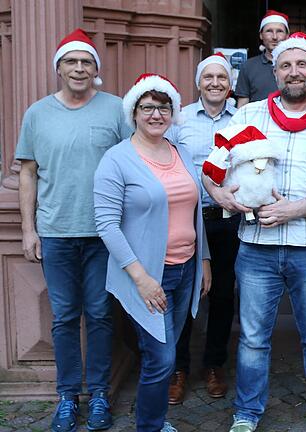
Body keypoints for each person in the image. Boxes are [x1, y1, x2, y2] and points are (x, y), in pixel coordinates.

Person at [204, 33, 306, 432]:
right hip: (255, 248)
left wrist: (291, 210)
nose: (294, 72)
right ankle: (247, 413)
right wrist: (221, 196)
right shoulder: (249, 116)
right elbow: (211, 169)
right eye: (286, 65)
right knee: (253, 339)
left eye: (302, 64)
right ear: (274, 71)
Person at [15, 28, 130, 432]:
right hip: (56, 231)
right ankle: (67, 396)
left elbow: (132, 164)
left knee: (99, 314)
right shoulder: (37, 113)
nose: (79, 68)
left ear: (95, 69)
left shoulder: (116, 110)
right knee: (64, 316)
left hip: (104, 233)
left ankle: (98, 394)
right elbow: (28, 173)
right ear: (59, 68)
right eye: (71, 62)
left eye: (86, 62)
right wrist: (29, 230)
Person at [93, 73, 212, 432]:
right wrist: (141, 278)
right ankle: (149, 425)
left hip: (185, 268)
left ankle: (155, 421)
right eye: (148, 107)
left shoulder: (181, 152)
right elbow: (107, 225)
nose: (156, 114)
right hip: (147, 276)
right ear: (134, 112)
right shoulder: (117, 159)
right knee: (161, 358)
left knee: (166, 352)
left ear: (174, 113)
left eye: (164, 107)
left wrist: (204, 260)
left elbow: (196, 211)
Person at [165, 53, 238, 404]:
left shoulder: (242, 120)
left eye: (221, 77)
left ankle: (214, 365)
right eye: (208, 77)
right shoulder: (179, 121)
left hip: (225, 222)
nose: (214, 83)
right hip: (184, 219)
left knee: (223, 295)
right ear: (198, 82)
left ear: (230, 84)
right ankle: (178, 368)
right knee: (182, 293)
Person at [234, 10, 289, 106]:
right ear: (261, 35)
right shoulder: (248, 67)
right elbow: (242, 106)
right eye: (269, 31)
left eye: (279, 31)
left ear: (287, 35)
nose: (275, 37)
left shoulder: (296, 66)